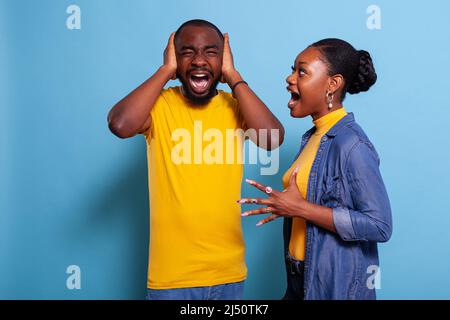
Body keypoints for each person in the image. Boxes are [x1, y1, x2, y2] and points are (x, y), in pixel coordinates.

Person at [107, 19, 284, 300]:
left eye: (211, 52)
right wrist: (165, 71)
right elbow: (120, 124)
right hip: (172, 278)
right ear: (174, 59)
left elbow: (272, 138)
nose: (199, 60)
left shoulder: (235, 106)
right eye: (187, 52)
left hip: (228, 274)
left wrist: (233, 75)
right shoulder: (161, 104)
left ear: (223, 57)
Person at [238, 38, 392, 300]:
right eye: (292, 69)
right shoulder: (313, 137)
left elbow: (380, 225)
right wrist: (287, 205)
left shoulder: (352, 144)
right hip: (299, 279)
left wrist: (300, 209)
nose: (290, 78)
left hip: (335, 287)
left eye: (302, 71)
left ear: (332, 84)